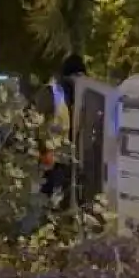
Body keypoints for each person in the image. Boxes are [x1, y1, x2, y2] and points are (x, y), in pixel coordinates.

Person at [41, 53, 88, 202]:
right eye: (78, 76)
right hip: (50, 160)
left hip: (63, 160)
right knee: (48, 200)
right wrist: (44, 151)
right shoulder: (52, 93)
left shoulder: (72, 96)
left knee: (61, 200)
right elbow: (35, 122)